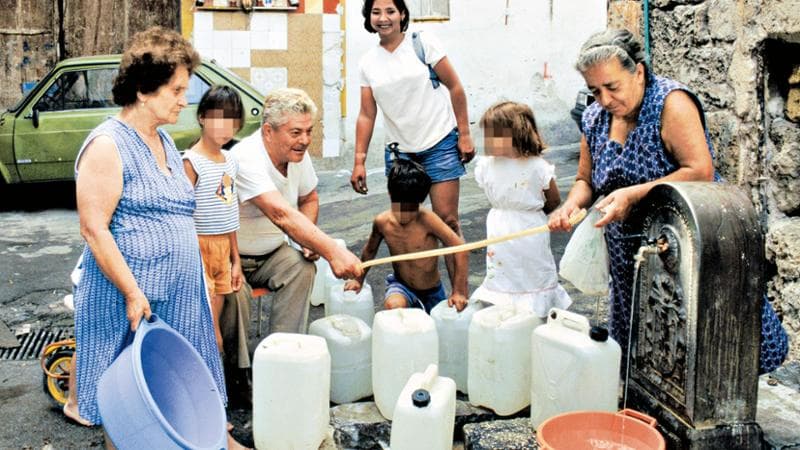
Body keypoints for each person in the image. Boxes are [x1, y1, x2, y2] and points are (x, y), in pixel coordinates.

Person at [70, 26, 245, 449]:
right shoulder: (108, 145)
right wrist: (131, 292)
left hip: (179, 294)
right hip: (127, 298)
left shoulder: (163, 139)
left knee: (179, 391)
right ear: (145, 90)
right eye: (176, 90)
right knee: (127, 401)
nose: (185, 100)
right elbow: (94, 229)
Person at [548, 29, 718, 352]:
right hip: (628, 257)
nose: (605, 100)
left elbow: (700, 171)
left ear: (638, 73)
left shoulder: (671, 104)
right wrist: (569, 206)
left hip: (679, 250)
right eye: (595, 91)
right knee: (635, 348)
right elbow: (586, 180)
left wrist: (634, 194)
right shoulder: (595, 117)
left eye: (612, 87)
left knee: (682, 346)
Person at [350, 0, 475, 278]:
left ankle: (458, 294)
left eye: (390, 11)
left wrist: (464, 134)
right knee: (405, 224)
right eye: (376, 12)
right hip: (400, 154)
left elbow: (455, 87)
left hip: (439, 144)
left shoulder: (423, 43)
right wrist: (358, 161)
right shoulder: (367, 62)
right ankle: (416, 292)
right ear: (368, 17)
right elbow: (366, 115)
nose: (383, 18)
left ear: (402, 14)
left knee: (448, 221)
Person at [230, 87, 362, 335]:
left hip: (272, 254)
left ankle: (286, 348)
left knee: (301, 267)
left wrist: (307, 241)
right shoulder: (245, 157)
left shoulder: (297, 154)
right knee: (234, 294)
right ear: (269, 131)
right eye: (296, 132)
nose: (305, 140)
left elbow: (309, 197)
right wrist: (332, 252)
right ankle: (238, 370)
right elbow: (280, 213)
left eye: (309, 131)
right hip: (232, 257)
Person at [471, 101, 571, 317]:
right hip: (499, 226)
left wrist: (537, 214)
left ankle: (535, 309)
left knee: (531, 266)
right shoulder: (487, 165)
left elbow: (553, 200)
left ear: (516, 134)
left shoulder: (537, 166)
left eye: (493, 135)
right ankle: (506, 307)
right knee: (503, 266)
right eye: (486, 135)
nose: (487, 141)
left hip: (529, 227)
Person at [344, 156, 468, 313]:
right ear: (390, 194)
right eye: (401, 206)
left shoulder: (428, 220)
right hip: (402, 286)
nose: (406, 214)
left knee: (435, 329)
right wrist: (358, 279)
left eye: (412, 208)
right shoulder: (382, 222)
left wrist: (459, 291)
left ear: (420, 201)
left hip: (432, 292)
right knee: (394, 306)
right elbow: (369, 251)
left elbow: (460, 249)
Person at [183, 85, 245, 353]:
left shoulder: (231, 160)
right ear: (202, 118)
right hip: (197, 247)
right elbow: (182, 216)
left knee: (216, 313)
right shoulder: (190, 162)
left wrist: (236, 260)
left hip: (223, 249)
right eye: (219, 118)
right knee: (207, 328)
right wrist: (193, 256)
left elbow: (228, 209)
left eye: (232, 120)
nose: (226, 127)